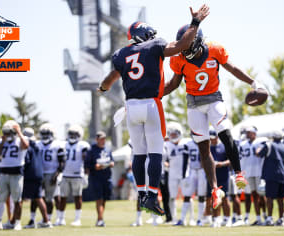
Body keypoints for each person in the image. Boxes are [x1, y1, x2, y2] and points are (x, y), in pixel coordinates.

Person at [98, 4, 210, 216]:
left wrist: (102, 88)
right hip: (151, 104)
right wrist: (195, 22)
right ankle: (151, 195)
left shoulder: (121, 54)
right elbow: (183, 44)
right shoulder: (155, 45)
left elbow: (109, 79)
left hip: (130, 107)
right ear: (144, 34)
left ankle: (141, 195)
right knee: (156, 152)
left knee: (138, 153)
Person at [163, 21, 267, 209]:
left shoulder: (215, 50)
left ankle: (238, 173)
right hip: (193, 103)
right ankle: (213, 188)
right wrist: (154, 95)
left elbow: (233, 68)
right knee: (204, 148)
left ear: (197, 41)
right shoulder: (178, 59)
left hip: (213, 99)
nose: (184, 48)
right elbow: (173, 84)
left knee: (225, 134)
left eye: (187, 44)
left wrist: (254, 83)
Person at [0, 120, 28, 231]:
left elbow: (25, 146)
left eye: (9, 132)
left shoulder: (21, 139)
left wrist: (19, 132)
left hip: (16, 173)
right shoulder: (1, 141)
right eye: (5, 132)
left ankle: (17, 222)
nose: (7, 135)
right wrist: (2, 142)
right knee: (1, 199)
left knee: (17, 200)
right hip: (3, 172)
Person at [57, 124, 90, 226]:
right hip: (65, 174)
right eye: (70, 134)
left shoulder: (83, 145)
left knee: (77, 197)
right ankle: (61, 219)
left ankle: (77, 219)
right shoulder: (63, 144)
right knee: (63, 197)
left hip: (77, 175)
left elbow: (86, 159)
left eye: (74, 134)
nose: (72, 136)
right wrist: (59, 173)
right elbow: (59, 160)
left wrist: (86, 175)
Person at [35, 123, 65, 226]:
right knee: (39, 197)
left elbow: (62, 162)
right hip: (40, 174)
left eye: (47, 134)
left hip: (51, 173)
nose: (45, 136)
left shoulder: (57, 145)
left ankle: (49, 219)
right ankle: (45, 218)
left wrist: (56, 174)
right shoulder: (37, 144)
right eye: (43, 134)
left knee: (50, 198)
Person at [21, 128, 52, 228]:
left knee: (20, 199)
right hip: (39, 173)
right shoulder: (37, 145)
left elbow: (26, 161)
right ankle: (44, 221)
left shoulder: (28, 146)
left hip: (30, 174)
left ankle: (14, 221)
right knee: (37, 198)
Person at [258, 131, 284, 226]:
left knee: (270, 197)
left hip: (272, 174)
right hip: (282, 175)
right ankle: (280, 219)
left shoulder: (269, 145)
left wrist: (259, 148)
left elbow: (260, 154)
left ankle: (270, 218)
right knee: (280, 198)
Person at [85, 131, 115, 227]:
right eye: (101, 138)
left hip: (107, 177)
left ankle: (100, 219)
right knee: (99, 199)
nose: (103, 140)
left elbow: (112, 160)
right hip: (96, 178)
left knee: (104, 199)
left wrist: (111, 164)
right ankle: (100, 219)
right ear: (97, 139)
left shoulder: (108, 149)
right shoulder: (91, 150)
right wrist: (95, 167)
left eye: (104, 138)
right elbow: (87, 165)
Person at [239, 126, 267, 225]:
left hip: (259, 171)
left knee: (262, 195)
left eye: (250, 132)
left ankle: (265, 215)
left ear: (255, 133)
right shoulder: (243, 144)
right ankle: (258, 217)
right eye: (247, 132)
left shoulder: (261, 142)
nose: (248, 134)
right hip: (249, 172)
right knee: (254, 195)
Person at [165, 122, 188, 223]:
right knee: (172, 197)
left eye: (175, 134)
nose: (173, 136)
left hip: (185, 174)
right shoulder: (166, 145)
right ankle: (174, 218)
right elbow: (163, 159)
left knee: (187, 196)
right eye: (171, 134)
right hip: (172, 174)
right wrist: (166, 164)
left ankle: (189, 218)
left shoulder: (186, 144)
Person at [209, 129, 231, 227]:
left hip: (223, 175)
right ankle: (216, 219)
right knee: (214, 197)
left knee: (225, 198)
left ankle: (227, 219)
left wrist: (221, 164)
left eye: (213, 138)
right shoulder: (208, 147)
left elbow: (231, 160)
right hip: (212, 176)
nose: (211, 140)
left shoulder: (224, 146)